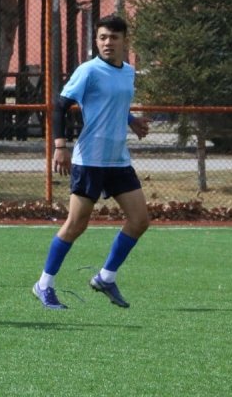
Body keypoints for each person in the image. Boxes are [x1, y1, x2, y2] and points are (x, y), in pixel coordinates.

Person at [33, 15, 151, 310]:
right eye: (102, 38)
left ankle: (105, 277)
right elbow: (60, 105)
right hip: (90, 161)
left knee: (140, 221)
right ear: (96, 41)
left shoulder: (128, 72)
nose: (108, 42)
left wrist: (132, 120)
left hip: (118, 161)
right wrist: (60, 146)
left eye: (113, 37)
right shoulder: (88, 71)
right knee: (76, 224)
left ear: (125, 41)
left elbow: (113, 105)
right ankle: (44, 284)